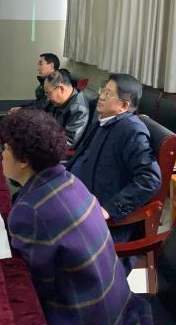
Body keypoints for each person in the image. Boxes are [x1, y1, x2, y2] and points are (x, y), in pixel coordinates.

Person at [1, 109, 151, 325]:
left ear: (24, 160)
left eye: (6, 148)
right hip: (114, 306)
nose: (2, 153)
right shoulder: (71, 180)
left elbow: (37, 287)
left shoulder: (30, 210)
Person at [69, 73, 161, 266]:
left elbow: (149, 179)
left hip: (99, 217)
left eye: (108, 94)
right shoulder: (104, 121)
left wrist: (109, 210)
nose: (101, 96)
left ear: (124, 106)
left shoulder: (132, 130)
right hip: (77, 197)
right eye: (103, 90)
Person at [43, 70, 90, 150]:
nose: (48, 98)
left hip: (54, 150)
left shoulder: (79, 110)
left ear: (61, 89)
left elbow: (67, 142)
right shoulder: (58, 101)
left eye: (49, 94)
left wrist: (41, 140)